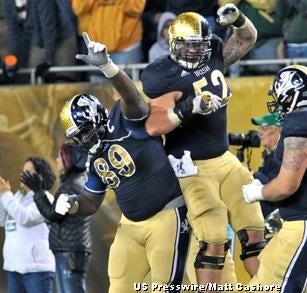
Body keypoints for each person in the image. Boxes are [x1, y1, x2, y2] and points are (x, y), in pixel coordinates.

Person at [53, 32, 189, 293]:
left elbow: (134, 99)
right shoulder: (93, 157)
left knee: (165, 287)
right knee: (119, 285)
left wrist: (107, 67)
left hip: (167, 214)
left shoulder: (123, 120)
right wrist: (72, 206)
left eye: (83, 130)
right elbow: (91, 202)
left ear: (96, 117)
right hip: (130, 223)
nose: (82, 139)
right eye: (77, 136)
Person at [142, 4, 266, 286]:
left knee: (254, 230)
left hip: (224, 158)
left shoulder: (214, 54)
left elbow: (247, 38)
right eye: (189, 46)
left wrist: (238, 19)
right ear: (174, 44)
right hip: (190, 164)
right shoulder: (160, 74)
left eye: (201, 45)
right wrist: (189, 108)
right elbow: (153, 124)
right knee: (213, 238)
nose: (196, 51)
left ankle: (267, 286)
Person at [242, 64, 307, 290]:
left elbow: (287, 186)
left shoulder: (302, 123)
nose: (276, 100)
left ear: (290, 93)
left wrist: (257, 192)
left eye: (278, 94)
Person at [20, 143, 91, 293]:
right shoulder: (72, 182)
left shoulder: (73, 185)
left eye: (60, 156)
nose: (57, 159)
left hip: (69, 251)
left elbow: (52, 215)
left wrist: (37, 190)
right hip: (66, 250)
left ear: (68, 159)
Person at [0, 157, 56, 293]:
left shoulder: (46, 198)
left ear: (40, 177)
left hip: (37, 270)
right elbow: (2, 221)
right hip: (14, 268)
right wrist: (1, 196)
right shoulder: (17, 197)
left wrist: (6, 194)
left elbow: (25, 218)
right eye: (23, 171)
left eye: (28, 171)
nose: (22, 175)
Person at [250, 112, 282, 218]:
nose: (260, 133)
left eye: (264, 128)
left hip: (275, 218)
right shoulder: (268, 153)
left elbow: (276, 187)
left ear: (277, 130)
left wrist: (253, 174)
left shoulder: (281, 156)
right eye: (260, 129)